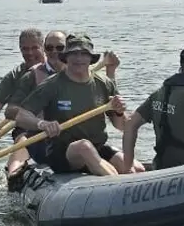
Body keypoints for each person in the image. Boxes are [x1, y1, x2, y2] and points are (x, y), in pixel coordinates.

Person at [10, 34, 143, 177]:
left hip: (97, 147)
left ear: (90, 58)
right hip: (62, 152)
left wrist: (118, 112)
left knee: (137, 169)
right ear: (66, 57)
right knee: (84, 147)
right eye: (73, 54)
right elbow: (21, 116)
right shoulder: (52, 85)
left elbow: (121, 126)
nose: (78, 59)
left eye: (83, 54)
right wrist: (42, 124)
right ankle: (117, 184)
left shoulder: (103, 83)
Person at [0, 28, 45, 136]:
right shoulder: (15, 75)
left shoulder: (56, 68)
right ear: (20, 49)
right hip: (27, 129)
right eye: (25, 49)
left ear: (43, 47)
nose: (30, 53)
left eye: (34, 48)